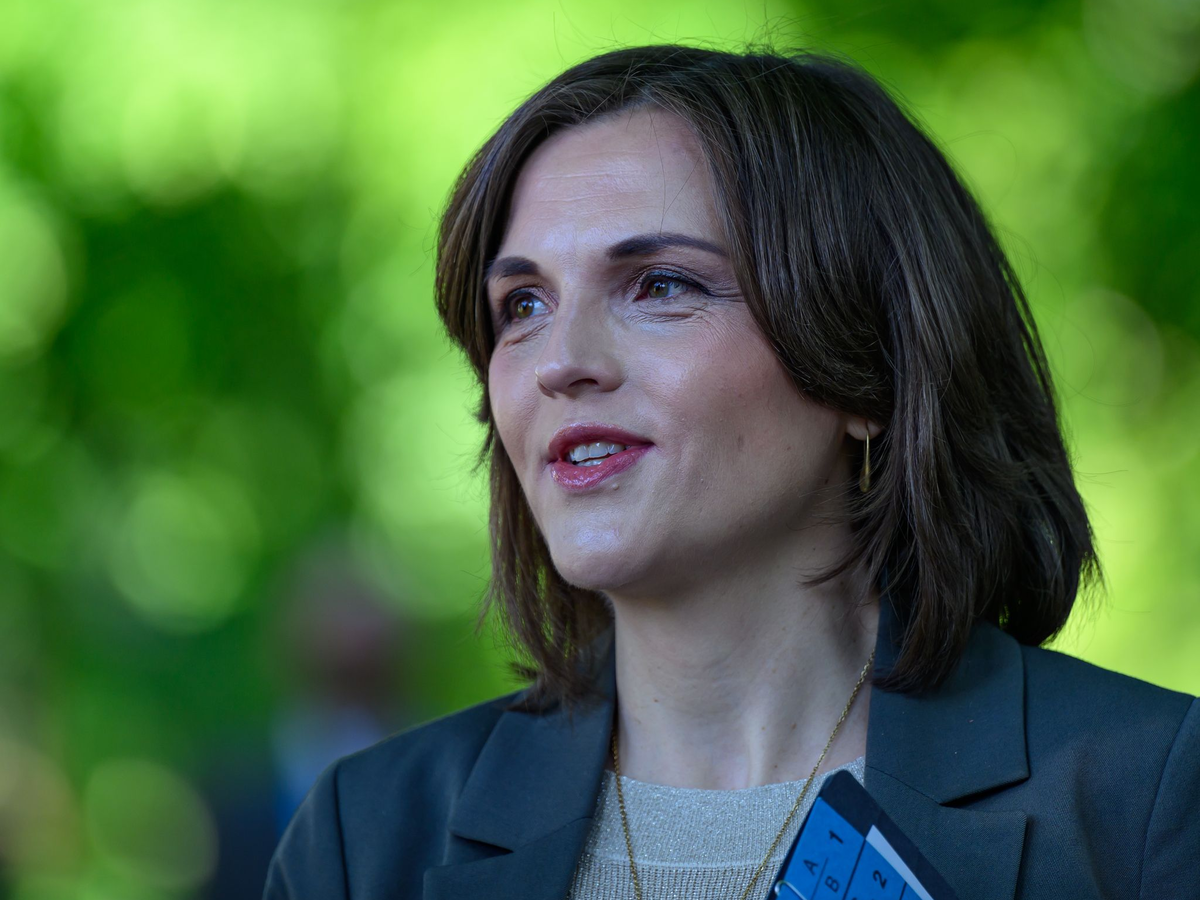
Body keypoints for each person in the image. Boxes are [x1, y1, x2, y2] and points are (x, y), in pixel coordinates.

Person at [261, 44, 1199, 899]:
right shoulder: (363, 840)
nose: (560, 361)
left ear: (866, 365)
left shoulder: (1145, 802)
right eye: (524, 304)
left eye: (660, 285)